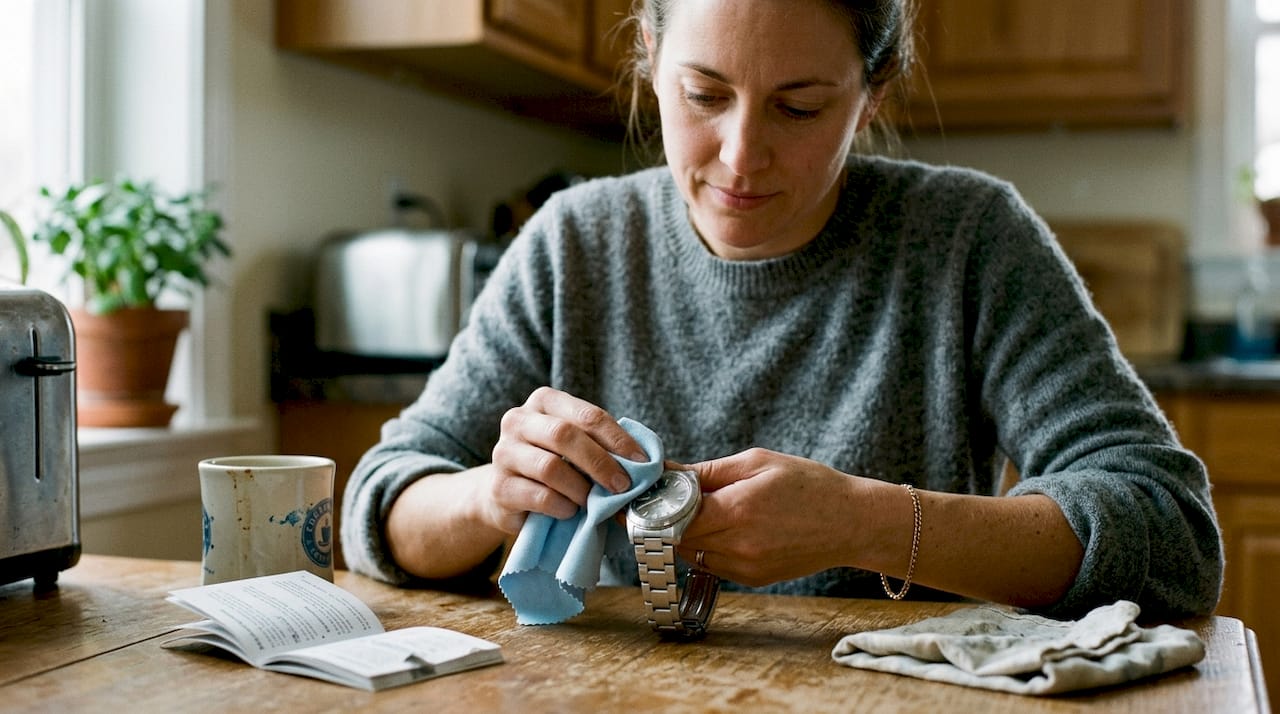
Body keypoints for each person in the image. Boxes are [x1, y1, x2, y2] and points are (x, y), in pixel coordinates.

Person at [341, 0, 1223, 620]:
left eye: (800, 107)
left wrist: (867, 523)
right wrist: (489, 497)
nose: (741, 155)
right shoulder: (573, 243)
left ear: (872, 97)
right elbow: (380, 506)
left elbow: (1171, 535)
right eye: (704, 94)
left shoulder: (969, 240)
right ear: (650, 55)